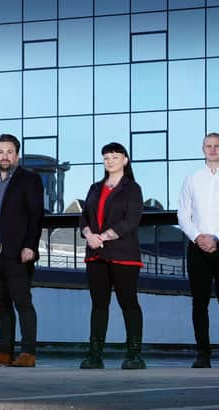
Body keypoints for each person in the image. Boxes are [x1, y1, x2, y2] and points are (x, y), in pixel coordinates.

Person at [177, 132, 219, 369]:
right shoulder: (192, 179)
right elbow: (183, 215)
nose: (213, 149)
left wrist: (217, 237)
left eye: (217, 146)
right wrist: (198, 237)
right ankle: (202, 353)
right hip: (197, 247)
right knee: (200, 302)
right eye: (209, 146)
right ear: (203, 148)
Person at [0, 134, 44, 368]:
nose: (5, 156)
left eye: (10, 152)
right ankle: (4, 352)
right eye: (1, 151)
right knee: (0, 303)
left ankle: (28, 353)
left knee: (22, 302)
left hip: (17, 253)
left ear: (17, 155)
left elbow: (36, 216)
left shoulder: (29, 180)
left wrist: (30, 246)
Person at [79, 142, 145, 370]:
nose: (109, 160)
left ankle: (134, 354)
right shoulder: (94, 188)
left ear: (125, 160)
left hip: (123, 254)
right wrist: (89, 235)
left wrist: (104, 236)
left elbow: (131, 220)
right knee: (99, 305)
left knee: (128, 303)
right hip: (95, 254)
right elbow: (83, 217)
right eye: (106, 157)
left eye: (115, 156)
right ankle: (94, 355)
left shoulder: (132, 188)